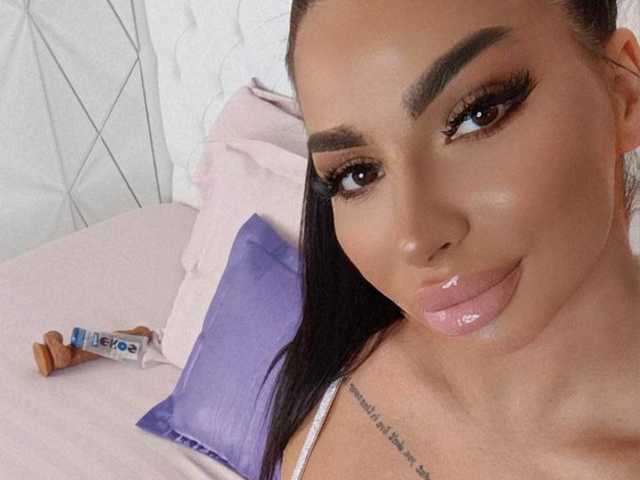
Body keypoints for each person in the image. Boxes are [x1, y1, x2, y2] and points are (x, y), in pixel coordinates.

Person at [259, 1, 640, 478]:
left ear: (624, 93)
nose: (416, 238)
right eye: (358, 174)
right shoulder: (335, 384)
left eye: (478, 115)